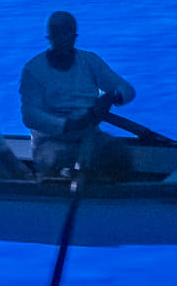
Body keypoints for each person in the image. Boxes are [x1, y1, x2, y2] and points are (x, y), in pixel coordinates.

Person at [19, 11, 137, 176]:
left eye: (68, 34)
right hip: (50, 142)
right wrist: (69, 124)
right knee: (57, 158)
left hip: (90, 137)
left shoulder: (90, 61)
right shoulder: (33, 70)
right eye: (59, 35)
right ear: (49, 37)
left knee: (120, 154)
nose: (64, 39)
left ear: (75, 36)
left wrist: (112, 96)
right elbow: (30, 116)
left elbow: (128, 90)